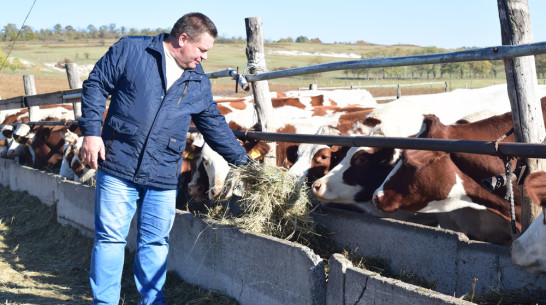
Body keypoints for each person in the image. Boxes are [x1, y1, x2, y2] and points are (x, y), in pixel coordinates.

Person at [78, 12, 250, 304]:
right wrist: (92, 132)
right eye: (202, 50)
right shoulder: (132, 50)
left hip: (163, 173)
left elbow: (215, 126)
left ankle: (152, 301)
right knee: (110, 239)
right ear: (182, 39)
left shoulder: (197, 81)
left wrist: (246, 165)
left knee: (155, 242)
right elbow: (96, 84)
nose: (204, 58)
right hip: (119, 162)